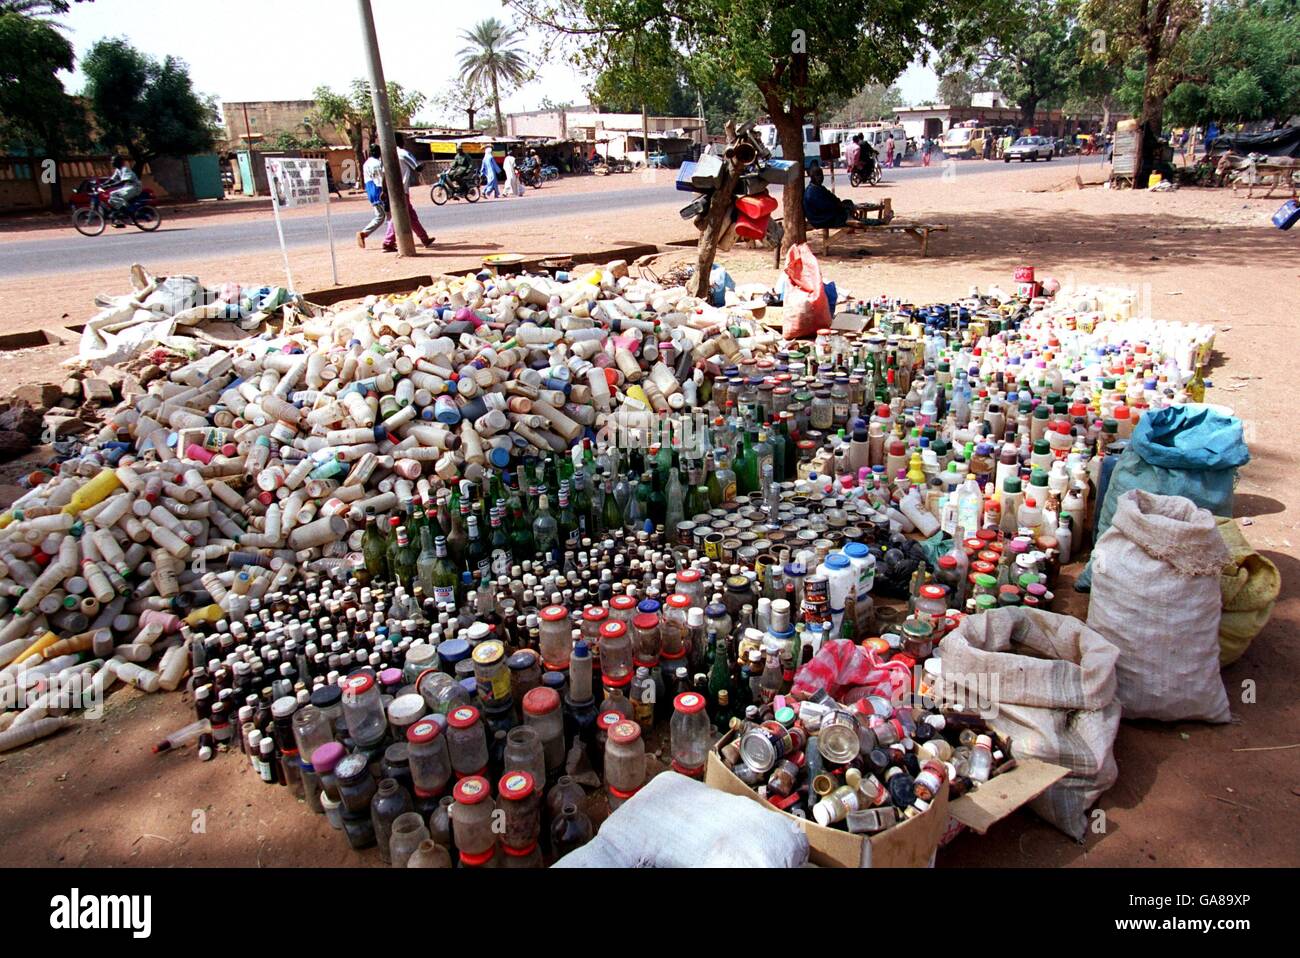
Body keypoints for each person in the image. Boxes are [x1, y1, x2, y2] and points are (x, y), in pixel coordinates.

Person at [383, 133, 433, 251]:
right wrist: (425, 165)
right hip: (402, 190)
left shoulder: (387, 155)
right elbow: (417, 168)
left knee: (409, 215)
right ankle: (388, 242)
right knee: (400, 216)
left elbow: (384, 175)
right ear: (401, 141)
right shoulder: (403, 153)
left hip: (391, 190)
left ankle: (424, 238)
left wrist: (384, 190)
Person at [357, 144, 387, 248]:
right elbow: (380, 180)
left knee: (382, 216)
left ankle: (365, 234)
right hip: (378, 191)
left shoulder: (366, 163)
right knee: (385, 216)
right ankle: (364, 233)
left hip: (371, 191)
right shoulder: (377, 164)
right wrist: (384, 191)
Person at [103, 155, 142, 224]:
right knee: (111, 198)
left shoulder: (125, 169)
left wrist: (109, 186)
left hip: (134, 187)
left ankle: (126, 212)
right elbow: (111, 180)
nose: (111, 162)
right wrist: (102, 185)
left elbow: (123, 182)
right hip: (127, 188)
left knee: (114, 195)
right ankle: (120, 213)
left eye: (113, 161)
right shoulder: (118, 170)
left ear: (119, 162)